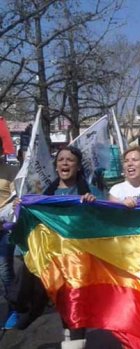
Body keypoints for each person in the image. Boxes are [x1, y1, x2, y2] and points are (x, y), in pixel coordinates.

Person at [7, 146, 104, 349]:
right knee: (64, 306)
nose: (65, 163)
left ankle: (73, 344)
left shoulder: (90, 192)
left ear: (78, 166)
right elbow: (30, 225)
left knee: (75, 303)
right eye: (61, 160)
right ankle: (68, 340)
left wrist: (95, 204)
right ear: (56, 165)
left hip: (79, 260)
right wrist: (20, 206)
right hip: (51, 262)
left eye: (70, 160)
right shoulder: (42, 195)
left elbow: (106, 220)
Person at [0, 138, 20, 329]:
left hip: (4, 226)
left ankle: (14, 308)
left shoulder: (12, 170)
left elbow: (16, 198)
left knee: (5, 270)